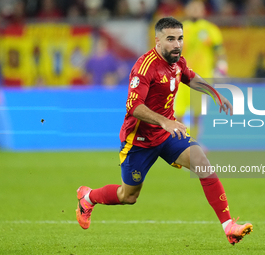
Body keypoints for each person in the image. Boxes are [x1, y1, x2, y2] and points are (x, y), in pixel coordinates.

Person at [76, 17, 253, 246]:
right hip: (138, 140)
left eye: (180, 38)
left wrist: (214, 92)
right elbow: (133, 106)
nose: (177, 44)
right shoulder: (144, 67)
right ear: (157, 40)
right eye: (170, 39)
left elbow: (190, 77)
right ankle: (88, 197)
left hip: (167, 134)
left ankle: (229, 226)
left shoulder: (176, 61)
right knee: (128, 196)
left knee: (202, 161)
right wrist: (164, 122)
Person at [174, 0, 227, 139]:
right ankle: (182, 141)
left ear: (204, 11)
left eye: (199, 8)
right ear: (187, 10)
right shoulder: (180, 29)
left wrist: (222, 66)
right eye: (193, 8)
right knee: (177, 112)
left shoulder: (211, 29)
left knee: (197, 113)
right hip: (181, 77)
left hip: (202, 78)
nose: (196, 10)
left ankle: (195, 141)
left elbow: (219, 50)